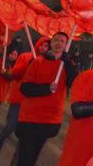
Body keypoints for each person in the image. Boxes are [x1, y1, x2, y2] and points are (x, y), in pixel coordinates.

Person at [15, 32, 78, 166]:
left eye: (62, 41)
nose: (59, 43)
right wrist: (46, 89)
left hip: (49, 120)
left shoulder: (66, 65)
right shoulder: (38, 61)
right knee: (24, 159)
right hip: (30, 118)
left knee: (33, 158)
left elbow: (75, 83)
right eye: (56, 40)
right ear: (51, 43)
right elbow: (25, 88)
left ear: (66, 45)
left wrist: (67, 62)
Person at [0, 37, 50, 163]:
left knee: (24, 136)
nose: (43, 48)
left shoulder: (48, 62)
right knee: (9, 128)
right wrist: (30, 64)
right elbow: (15, 73)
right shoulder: (26, 57)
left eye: (46, 46)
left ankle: (15, 161)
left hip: (33, 105)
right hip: (18, 101)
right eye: (41, 45)